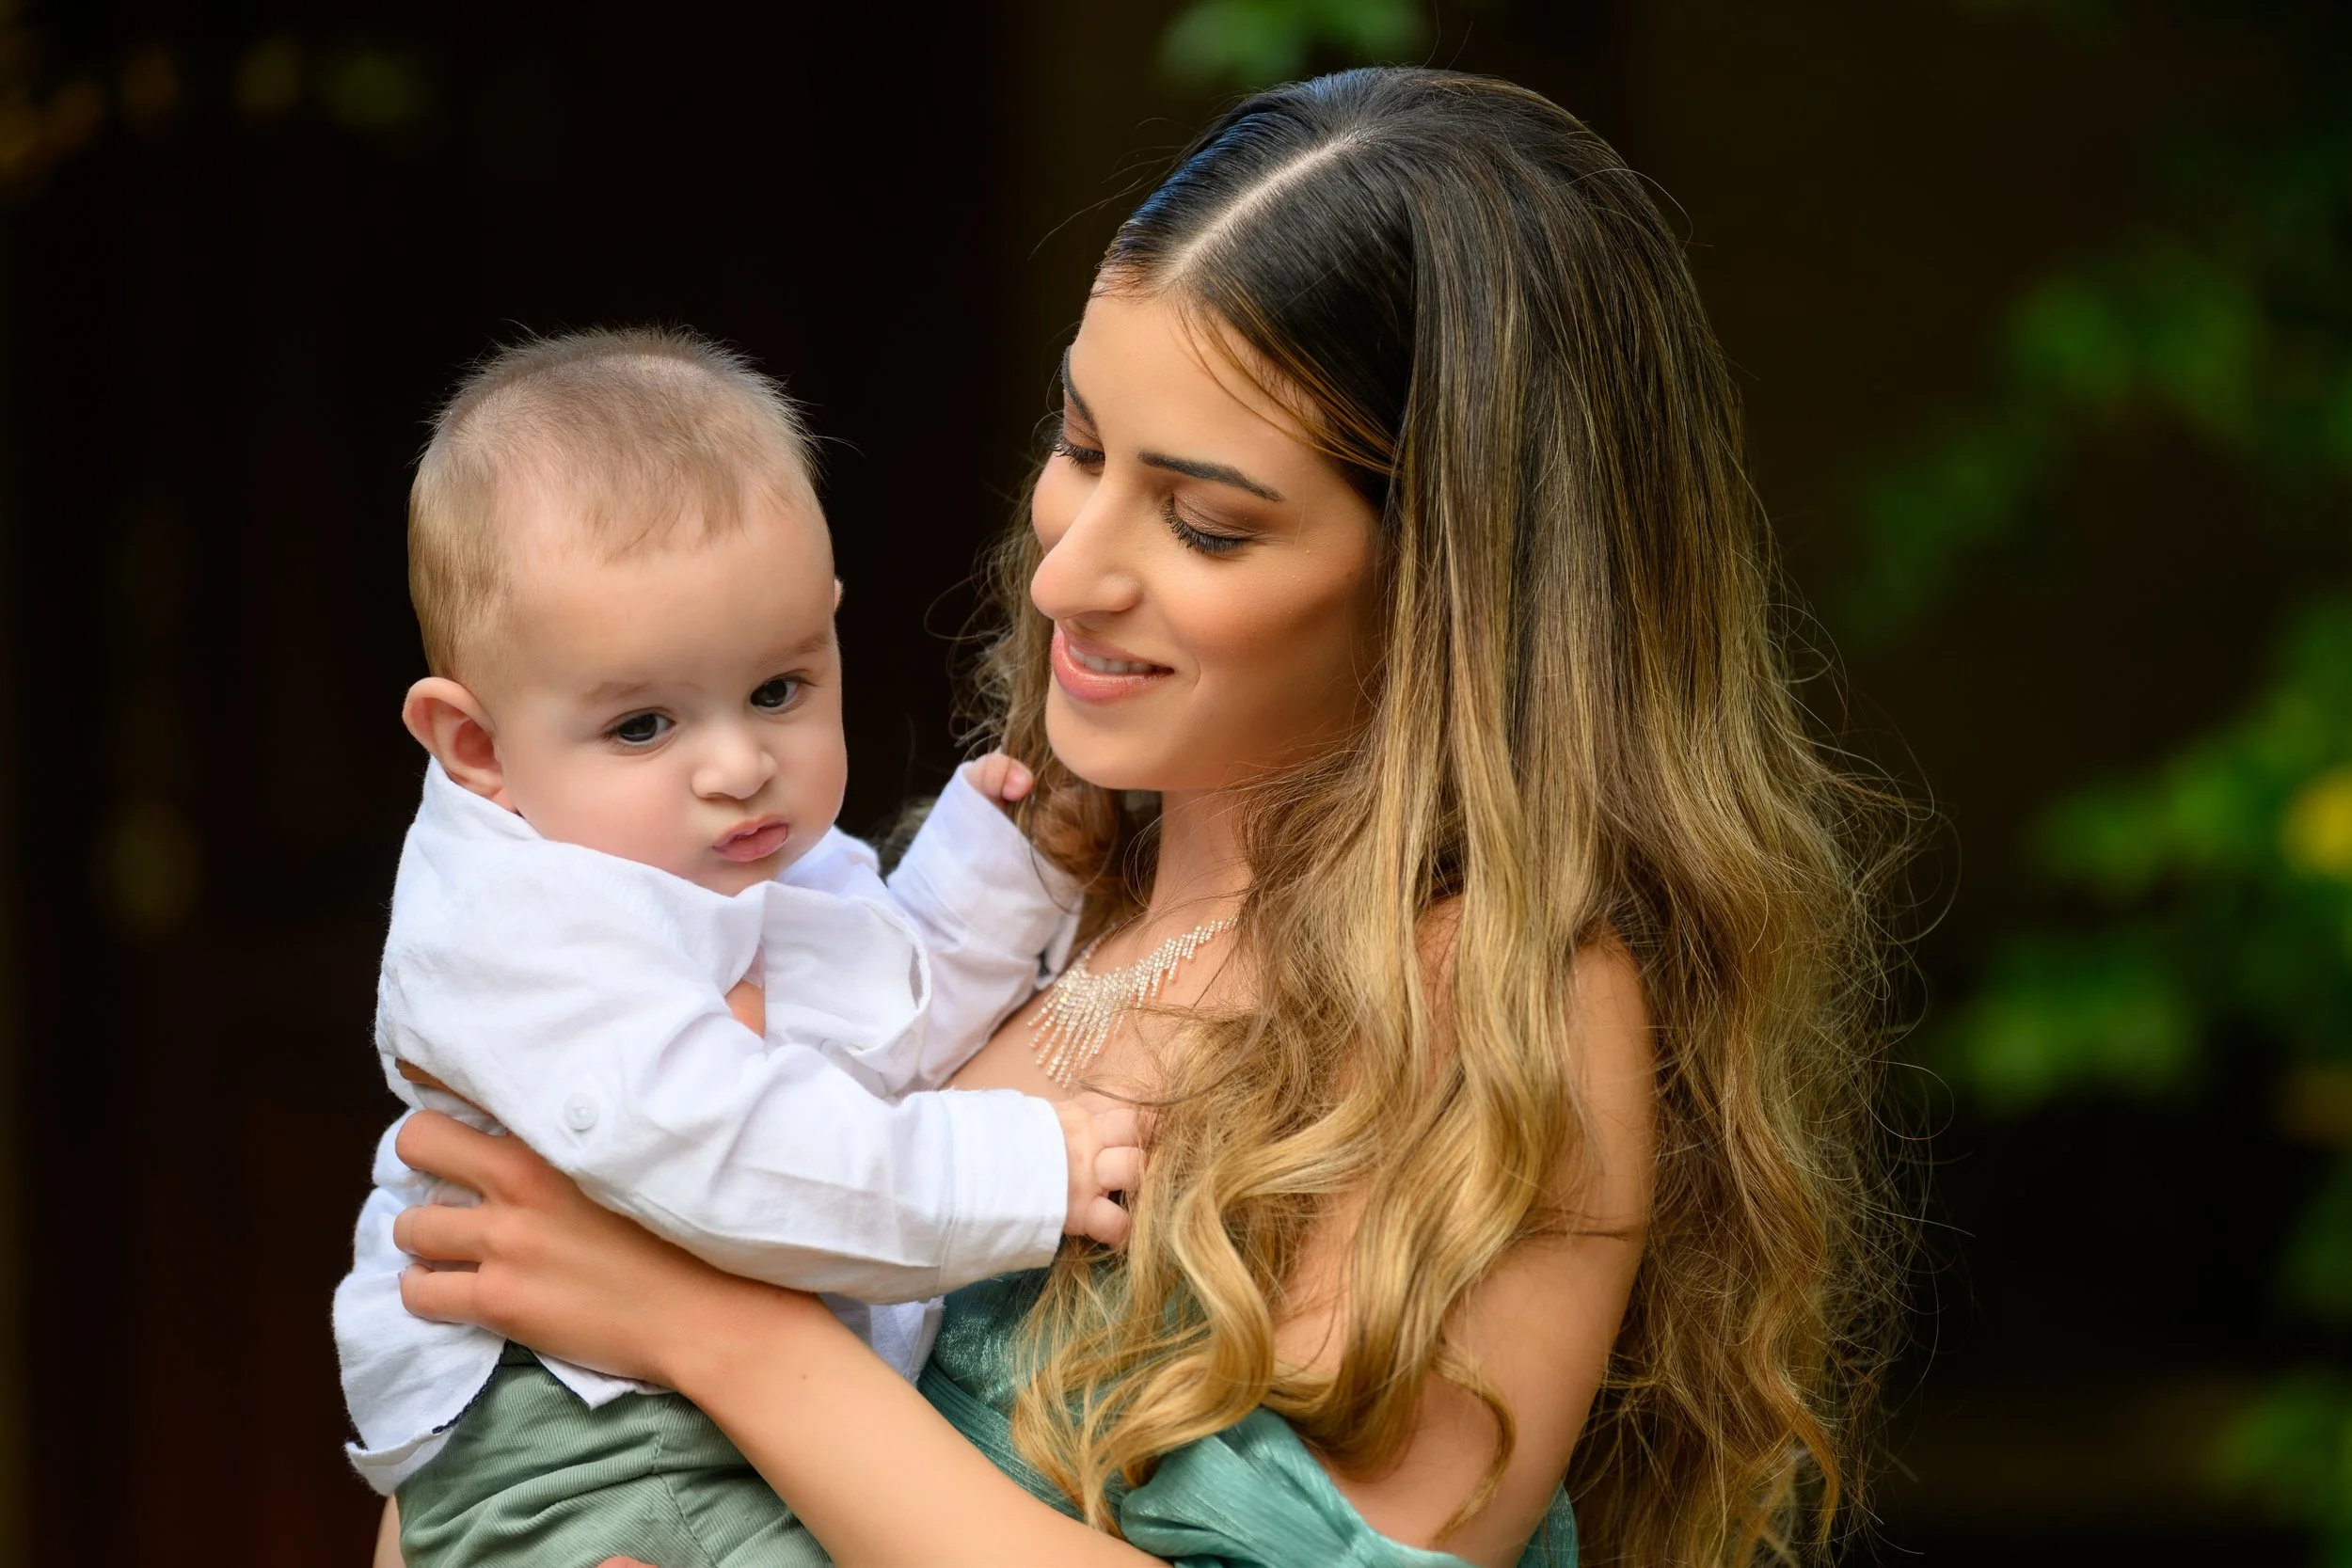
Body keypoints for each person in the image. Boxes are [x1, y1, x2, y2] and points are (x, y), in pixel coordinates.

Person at [381, 68, 1902, 1567]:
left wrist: (718, 1332)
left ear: (1453, 583)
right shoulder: (999, 896)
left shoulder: (1501, 999)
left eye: (1206, 520)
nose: (1063, 575)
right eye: (1081, 448)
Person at [335, 329, 1144, 1565]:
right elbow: (753, 1160)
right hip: (581, 1446)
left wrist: (1008, 868)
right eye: (644, 721)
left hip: (678, 1407)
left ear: (827, 627)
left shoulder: (691, 848)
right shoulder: (521, 931)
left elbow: (867, 1035)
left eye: (778, 688)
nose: (737, 764)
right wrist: (1027, 1173)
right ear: (477, 745)